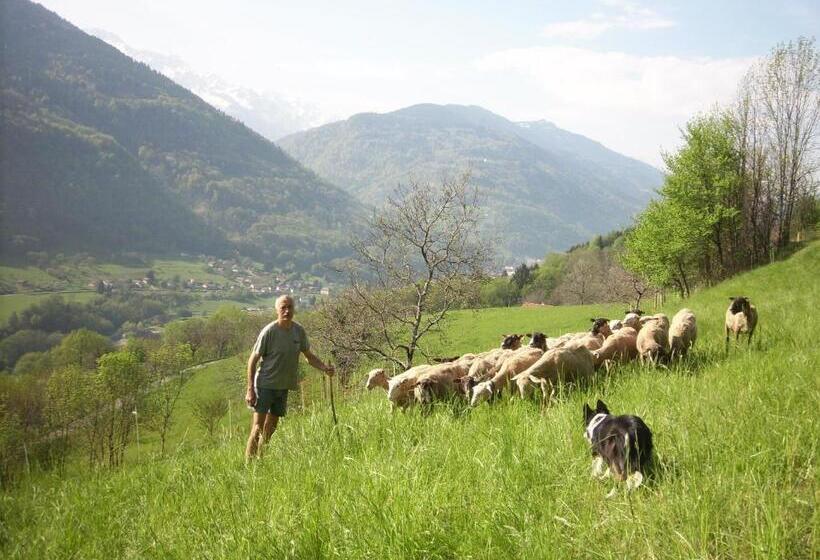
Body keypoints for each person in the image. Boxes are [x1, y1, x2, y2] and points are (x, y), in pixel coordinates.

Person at [245, 294, 334, 460]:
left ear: (294, 309)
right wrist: (250, 389)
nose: (287, 311)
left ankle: (261, 459)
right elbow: (252, 361)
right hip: (264, 385)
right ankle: (248, 465)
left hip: (283, 386)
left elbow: (308, 356)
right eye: (283, 308)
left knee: (271, 428)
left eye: (289, 307)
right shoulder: (269, 332)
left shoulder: (298, 331)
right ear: (277, 310)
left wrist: (324, 368)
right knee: (257, 427)